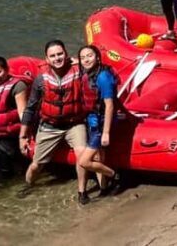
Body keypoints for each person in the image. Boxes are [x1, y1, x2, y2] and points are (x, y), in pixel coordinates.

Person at [20, 40, 88, 204]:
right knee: (36, 165)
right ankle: (28, 185)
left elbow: (98, 65)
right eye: (53, 56)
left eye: (60, 54)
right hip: (50, 126)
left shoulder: (79, 71)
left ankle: (82, 192)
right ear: (47, 59)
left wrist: (80, 60)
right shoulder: (41, 80)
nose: (57, 58)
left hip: (74, 124)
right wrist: (23, 135)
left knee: (82, 157)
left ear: (66, 54)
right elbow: (30, 108)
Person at [77, 45, 120, 198]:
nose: (86, 60)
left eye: (89, 56)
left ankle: (114, 176)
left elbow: (109, 105)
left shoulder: (103, 77)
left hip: (101, 124)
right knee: (100, 155)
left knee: (84, 161)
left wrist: (106, 133)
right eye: (82, 58)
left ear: (98, 57)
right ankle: (104, 187)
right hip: (92, 121)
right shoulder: (88, 73)